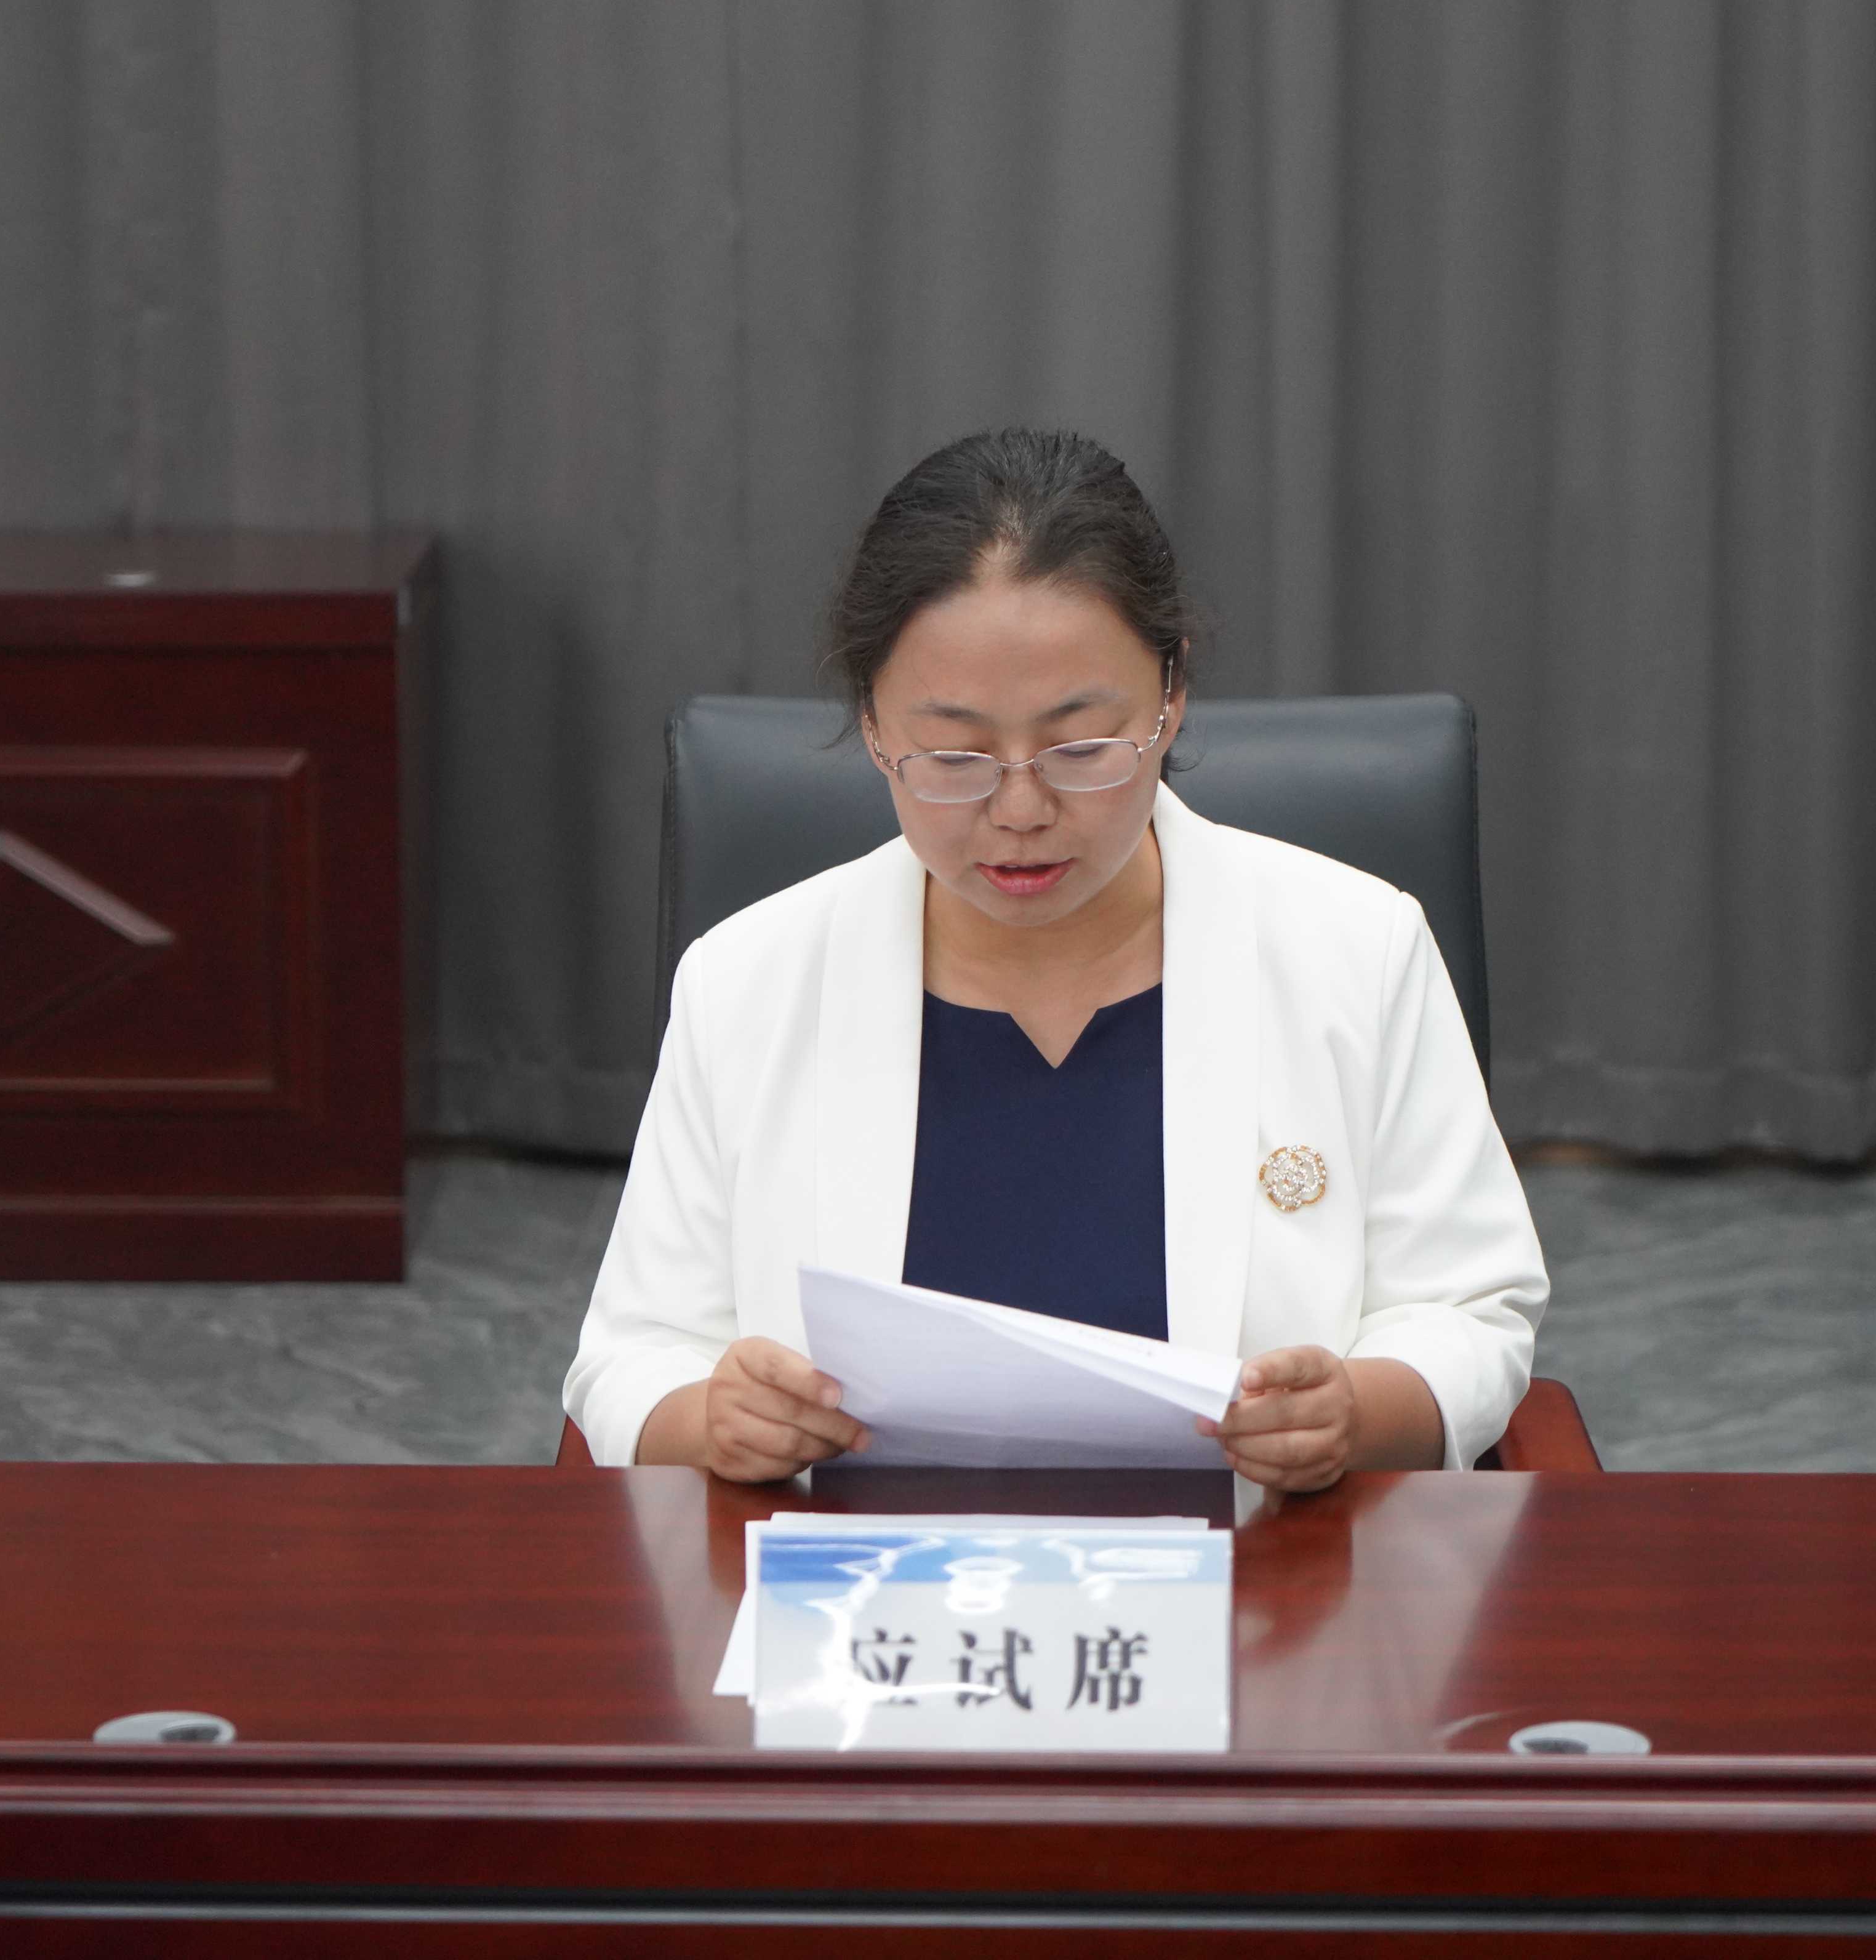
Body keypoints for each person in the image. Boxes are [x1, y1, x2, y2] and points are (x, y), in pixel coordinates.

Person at [564, 427, 1547, 1489]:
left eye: (1081, 747)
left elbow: (1469, 1310)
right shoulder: (746, 981)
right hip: (864, 1581)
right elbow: (633, 1354)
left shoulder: (1356, 949)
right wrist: (712, 1419)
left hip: (1249, 1576)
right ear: (873, 726)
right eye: (954, 755)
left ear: (1171, 696)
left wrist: (1355, 1413)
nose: (1021, 809)